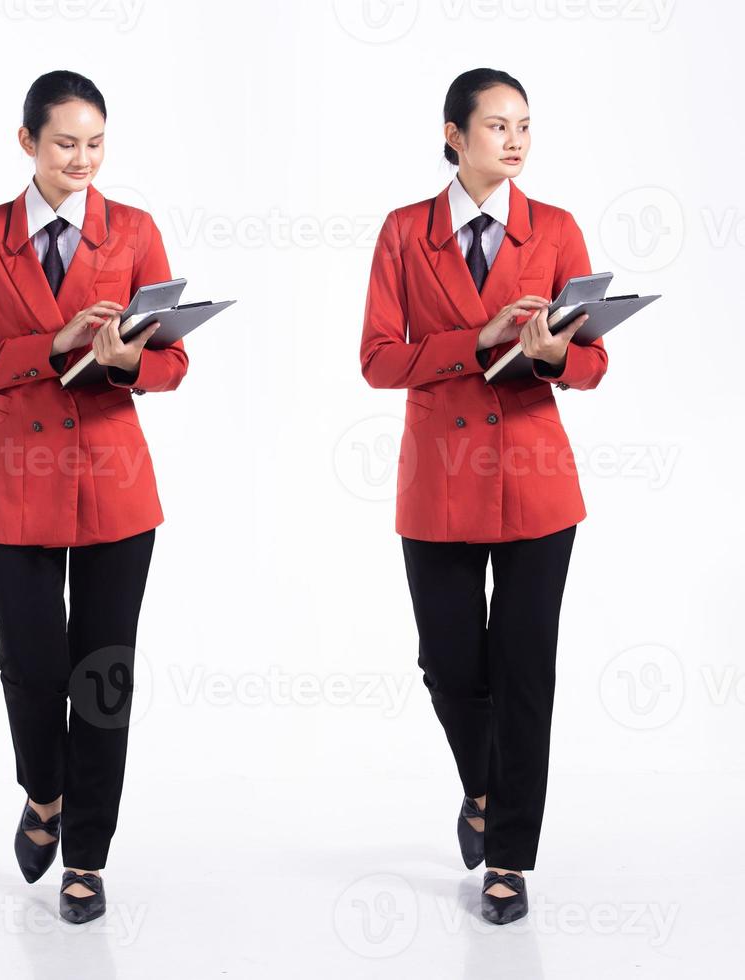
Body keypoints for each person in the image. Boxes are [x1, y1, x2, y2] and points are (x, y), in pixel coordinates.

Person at [358, 67, 607, 925]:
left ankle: (508, 856)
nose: (514, 140)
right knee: (449, 665)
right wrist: (481, 338)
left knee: (524, 672)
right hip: (439, 482)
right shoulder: (402, 233)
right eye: (497, 125)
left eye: (525, 126)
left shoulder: (558, 230)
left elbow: (592, 364)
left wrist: (548, 354)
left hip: (537, 481)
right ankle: (484, 789)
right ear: (453, 134)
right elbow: (378, 359)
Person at [0, 69, 187, 924]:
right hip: (14, 480)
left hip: (115, 481)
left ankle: (86, 853)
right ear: (26, 144)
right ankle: (42, 791)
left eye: (94, 143)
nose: (81, 160)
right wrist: (49, 346)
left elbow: (172, 364)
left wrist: (126, 362)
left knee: (103, 675)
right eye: (63, 143)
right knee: (31, 665)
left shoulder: (135, 232)